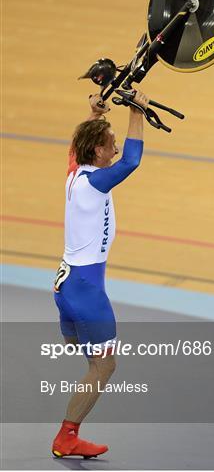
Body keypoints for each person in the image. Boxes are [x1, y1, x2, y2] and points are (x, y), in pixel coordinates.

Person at [51, 90, 148, 459]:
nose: (117, 148)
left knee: (79, 349)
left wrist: (93, 113)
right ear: (97, 154)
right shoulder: (95, 182)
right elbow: (134, 161)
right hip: (87, 289)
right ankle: (67, 437)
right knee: (104, 364)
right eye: (110, 144)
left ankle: (72, 422)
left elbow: (76, 148)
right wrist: (138, 110)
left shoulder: (76, 174)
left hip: (65, 285)